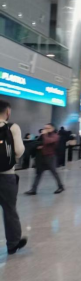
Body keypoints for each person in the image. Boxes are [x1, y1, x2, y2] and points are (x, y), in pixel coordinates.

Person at [0, 100, 28, 255]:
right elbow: (19, 151)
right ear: (8, 112)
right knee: (9, 210)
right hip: (7, 176)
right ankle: (13, 244)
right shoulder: (12, 127)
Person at [25, 123, 65, 195]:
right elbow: (38, 142)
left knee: (54, 172)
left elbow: (47, 141)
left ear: (52, 129)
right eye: (45, 128)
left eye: (48, 128)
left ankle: (60, 186)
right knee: (38, 173)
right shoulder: (43, 136)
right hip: (41, 157)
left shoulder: (55, 136)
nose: (45, 130)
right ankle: (33, 189)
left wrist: (44, 135)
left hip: (50, 157)